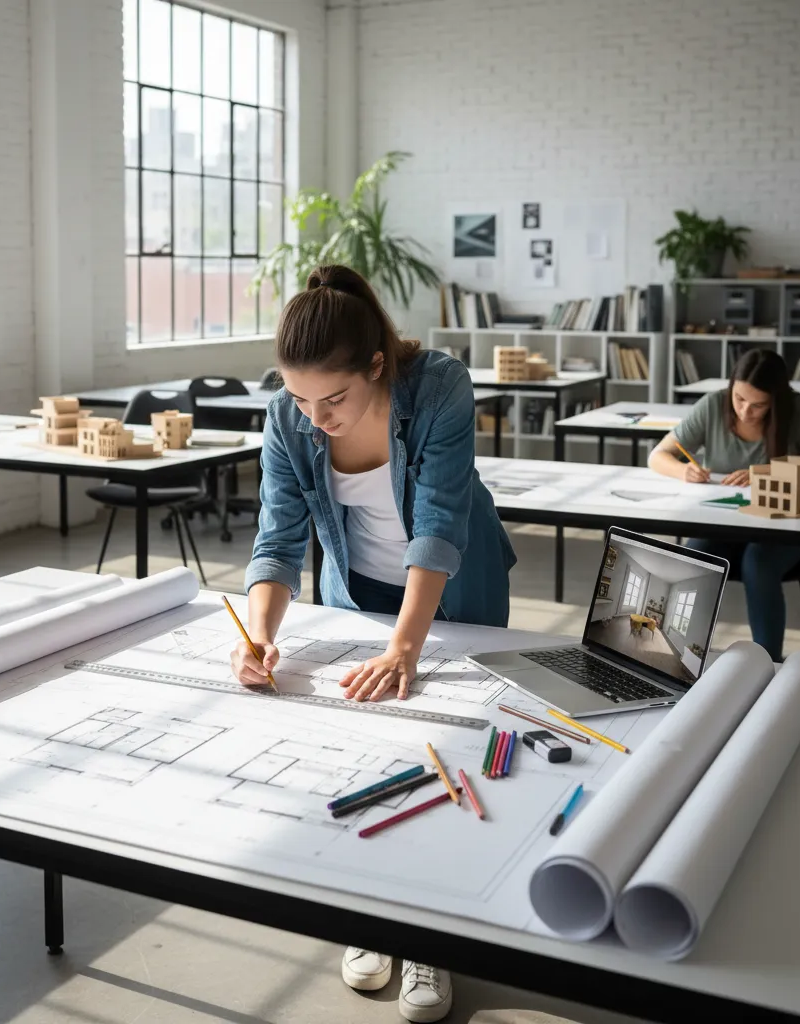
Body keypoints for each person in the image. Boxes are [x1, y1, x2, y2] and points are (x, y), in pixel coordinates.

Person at [231, 264, 517, 1023]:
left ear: (377, 367)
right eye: (298, 398)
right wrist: (259, 637)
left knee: (448, 753)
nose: (315, 417)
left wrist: (407, 650)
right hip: (357, 598)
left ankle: (434, 932)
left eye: (335, 399)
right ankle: (370, 912)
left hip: (454, 591)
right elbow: (278, 536)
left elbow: (439, 522)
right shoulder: (290, 419)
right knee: (363, 757)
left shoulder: (440, 387)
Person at [648, 347, 800, 661]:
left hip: (782, 524)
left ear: (776, 400)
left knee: (757, 563)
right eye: (739, 399)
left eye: (759, 405)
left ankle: (768, 663)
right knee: (695, 559)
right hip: (725, 522)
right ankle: (674, 657)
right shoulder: (713, 405)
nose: (746, 411)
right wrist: (684, 469)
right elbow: (657, 456)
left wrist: (765, 474)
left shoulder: (797, 410)